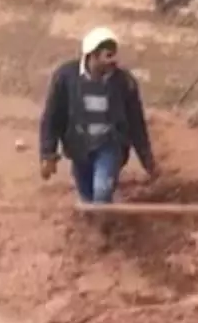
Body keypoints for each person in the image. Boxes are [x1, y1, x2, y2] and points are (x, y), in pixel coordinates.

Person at [38, 26, 156, 204]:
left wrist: (147, 160)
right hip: (79, 146)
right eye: (108, 56)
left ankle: (103, 227)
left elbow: (136, 122)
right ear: (92, 55)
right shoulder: (66, 78)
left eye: (114, 55)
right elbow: (52, 117)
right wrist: (48, 154)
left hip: (109, 145)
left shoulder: (124, 82)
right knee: (87, 198)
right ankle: (98, 225)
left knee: (101, 192)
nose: (113, 61)